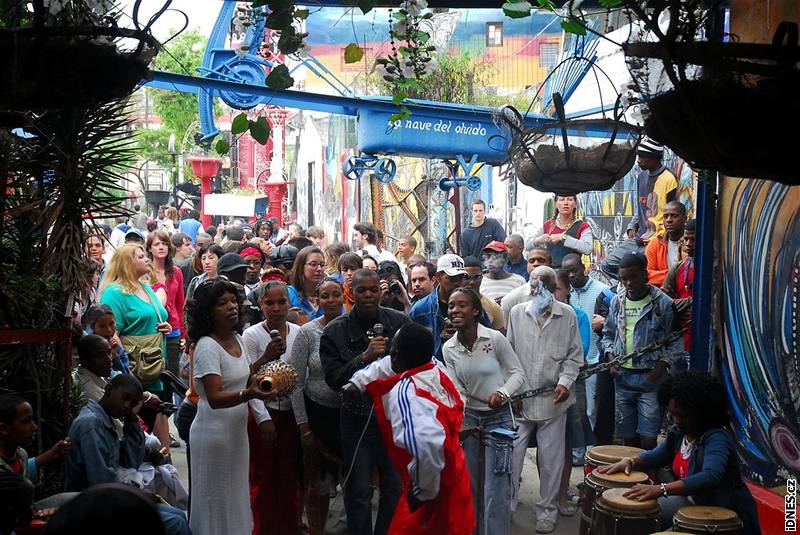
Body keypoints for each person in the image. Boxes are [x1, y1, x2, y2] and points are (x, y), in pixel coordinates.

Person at [344, 322, 477, 535]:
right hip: (455, 477)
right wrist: (358, 382)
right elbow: (384, 365)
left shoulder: (407, 392)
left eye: (393, 349)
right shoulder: (437, 368)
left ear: (396, 354)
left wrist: (422, 491)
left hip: (432, 489)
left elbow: (426, 445)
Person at [597, 371, 761, 534]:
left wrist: (661, 489)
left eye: (682, 415)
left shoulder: (716, 438)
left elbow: (710, 476)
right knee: (634, 516)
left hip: (720, 517)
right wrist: (630, 462)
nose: (676, 420)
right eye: (672, 413)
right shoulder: (679, 433)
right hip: (690, 505)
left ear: (702, 411)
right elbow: (657, 455)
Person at [319, 269, 409, 535]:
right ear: (352, 292)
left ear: (380, 292)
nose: (368, 295)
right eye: (362, 290)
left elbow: (415, 365)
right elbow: (334, 380)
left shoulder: (400, 321)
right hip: (356, 421)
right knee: (358, 491)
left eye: (373, 289)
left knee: (393, 486)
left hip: (394, 419)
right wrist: (364, 357)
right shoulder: (335, 330)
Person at [186, 279, 276, 535]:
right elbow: (214, 397)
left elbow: (244, 376)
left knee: (235, 493)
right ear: (208, 312)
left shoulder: (237, 339)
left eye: (233, 301)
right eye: (222, 303)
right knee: (215, 497)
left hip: (236, 433)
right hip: (213, 435)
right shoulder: (206, 346)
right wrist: (249, 394)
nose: (231, 307)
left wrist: (265, 361)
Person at [506, 265, 583, 534]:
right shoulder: (517, 313)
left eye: (542, 285)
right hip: (520, 401)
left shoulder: (568, 315)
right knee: (512, 458)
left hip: (554, 402)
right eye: (533, 285)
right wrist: (512, 391)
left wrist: (564, 383)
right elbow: (510, 356)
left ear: (552, 289)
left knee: (551, 460)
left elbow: (574, 357)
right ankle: (508, 505)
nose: (536, 290)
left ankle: (547, 511)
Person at [443, 287, 525, 535]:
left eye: (462, 305)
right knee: (471, 485)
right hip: (470, 420)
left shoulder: (494, 339)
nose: (455, 310)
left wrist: (503, 394)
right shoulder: (449, 348)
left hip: (499, 419)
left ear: (476, 311)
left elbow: (517, 373)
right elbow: (457, 388)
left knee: (495, 488)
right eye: (451, 306)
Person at [600, 252, 683, 451]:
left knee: (648, 436)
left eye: (633, 277)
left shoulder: (662, 303)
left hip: (650, 379)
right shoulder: (617, 302)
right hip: (622, 378)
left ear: (645, 275)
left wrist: (657, 371)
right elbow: (608, 334)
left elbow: (675, 341)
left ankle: (649, 475)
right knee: (627, 436)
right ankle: (631, 476)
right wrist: (611, 358)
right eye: (623, 278)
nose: (629, 283)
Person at [285, 277, 346, 535]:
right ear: (318, 300)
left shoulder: (352, 329)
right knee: (318, 483)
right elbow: (295, 382)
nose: (331, 300)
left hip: (348, 417)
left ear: (344, 297)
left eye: (336, 295)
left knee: (352, 480)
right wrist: (303, 427)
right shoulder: (307, 333)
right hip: (317, 415)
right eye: (325, 296)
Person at [98, 244, 172, 453]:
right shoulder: (114, 293)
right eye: (141, 256)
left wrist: (163, 326)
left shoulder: (144, 285)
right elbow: (112, 332)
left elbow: (153, 316)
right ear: (127, 262)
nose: (146, 259)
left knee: (159, 412)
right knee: (143, 420)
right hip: (135, 368)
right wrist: (124, 365)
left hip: (155, 364)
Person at [242, 281, 302, 535]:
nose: (276, 308)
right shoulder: (251, 335)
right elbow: (246, 377)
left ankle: (289, 527)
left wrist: (302, 419)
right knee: (263, 476)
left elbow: (301, 377)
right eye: (269, 303)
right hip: (264, 413)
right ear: (260, 306)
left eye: (281, 302)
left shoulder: (299, 332)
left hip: (292, 415)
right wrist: (262, 418)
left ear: (289, 304)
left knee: (290, 476)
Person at [560, 253, 609, 430]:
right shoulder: (565, 293)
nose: (572, 275)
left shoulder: (602, 290)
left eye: (574, 270)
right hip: (571, 362)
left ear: (584, 268)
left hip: (594, 360)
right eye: (567, 273)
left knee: (591, 410)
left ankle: (591, 450)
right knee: (575, 410)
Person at [0, 395, 72, 503]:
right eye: (26, 421)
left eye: (32, 420)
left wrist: (52, 453)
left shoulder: (20, 454)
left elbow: (25, 467)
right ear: (4, 429)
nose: (35, 427)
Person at [146, 230, 186, 394]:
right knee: (153, 372)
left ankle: (170, 409)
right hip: (151, 328)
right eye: (156, 244)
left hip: (173, 329)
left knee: (172, 375)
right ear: (149, 249)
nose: (161, 247)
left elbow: (180, 303)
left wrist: (183, 334)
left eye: (164, 243)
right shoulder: (144, 271)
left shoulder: (176, 271)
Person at [408, 254, 467, 361]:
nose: (458, 282)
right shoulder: (421, 309)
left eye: (461, 278)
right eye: (452, 278)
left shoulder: (472, 303)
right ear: (438, 277)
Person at [627, 138, 678, 241]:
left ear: (655, 158)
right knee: (612, 258)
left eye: (642, 156)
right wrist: (632, 226)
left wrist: (666, 236)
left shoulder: (669, 179)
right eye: (638, 156)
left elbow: (675, 212)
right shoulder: (641, 177)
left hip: (658, 239)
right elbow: (640, 209)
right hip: (640, 237)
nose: (638, 160)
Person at [529, 195, 593, 268]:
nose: (565, 203)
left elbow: (588, 249)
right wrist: (538, 240)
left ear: (575, 204)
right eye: (562, 199)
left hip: (571, 273)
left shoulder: (583, 226)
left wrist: (563, 238)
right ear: (556, 204)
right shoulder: (548, 225)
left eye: (569, 199)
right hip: (551, 273)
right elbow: (527, 246)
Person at [662, 219, 696, 354]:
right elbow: (665, 303)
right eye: (686, 239)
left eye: (693, 239)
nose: (688, 244)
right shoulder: (678, 267)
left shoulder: (713, 268)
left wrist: (677, 304)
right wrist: (690, 301)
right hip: (680, 338)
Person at [500, 246, 552, 323]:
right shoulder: (511, 299)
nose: (536, 264)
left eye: (541, 260)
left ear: (550, 265)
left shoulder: (559, 292)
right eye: (531, 261)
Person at [645, 200, 687, 287]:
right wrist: (674, 275)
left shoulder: (691, 243)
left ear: (684, 219)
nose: (669, 220)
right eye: (665, 216)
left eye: (674, 216)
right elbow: (647, 275)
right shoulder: (655, 244)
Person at [82, 304, 131, 374]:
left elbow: (125, 373)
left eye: (111, 324)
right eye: (102, 326)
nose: (109, 329)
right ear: (93, 327)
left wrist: (114, 355)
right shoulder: (89, 349)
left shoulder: (116, 347)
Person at [463, 256, 505, 332]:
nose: (472, 282)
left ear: (482, 277)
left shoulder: (492, 306)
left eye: (476, 277)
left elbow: (500, 337)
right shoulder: (452, 304)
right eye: (467, 277)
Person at [288, 246, 327, 322]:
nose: (319, 269)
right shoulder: (288, 294)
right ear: (301, 267)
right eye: (313, 264)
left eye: (322, 265)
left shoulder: (329, 294)